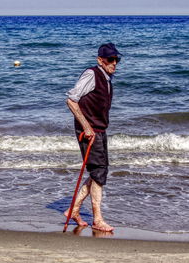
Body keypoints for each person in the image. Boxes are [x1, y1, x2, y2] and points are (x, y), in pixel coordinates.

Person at [64, 43, 122, 232]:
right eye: (110, 59)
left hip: (98, 129)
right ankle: (97, 219)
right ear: (100, 60)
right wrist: (87, 127)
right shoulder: (92, 74)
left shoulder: (107, 79)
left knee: (99, 172)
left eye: (116, 59)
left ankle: (73, 209)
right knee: (98, 172)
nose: (114, 63)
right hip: (89, 131)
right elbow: (71, 100)